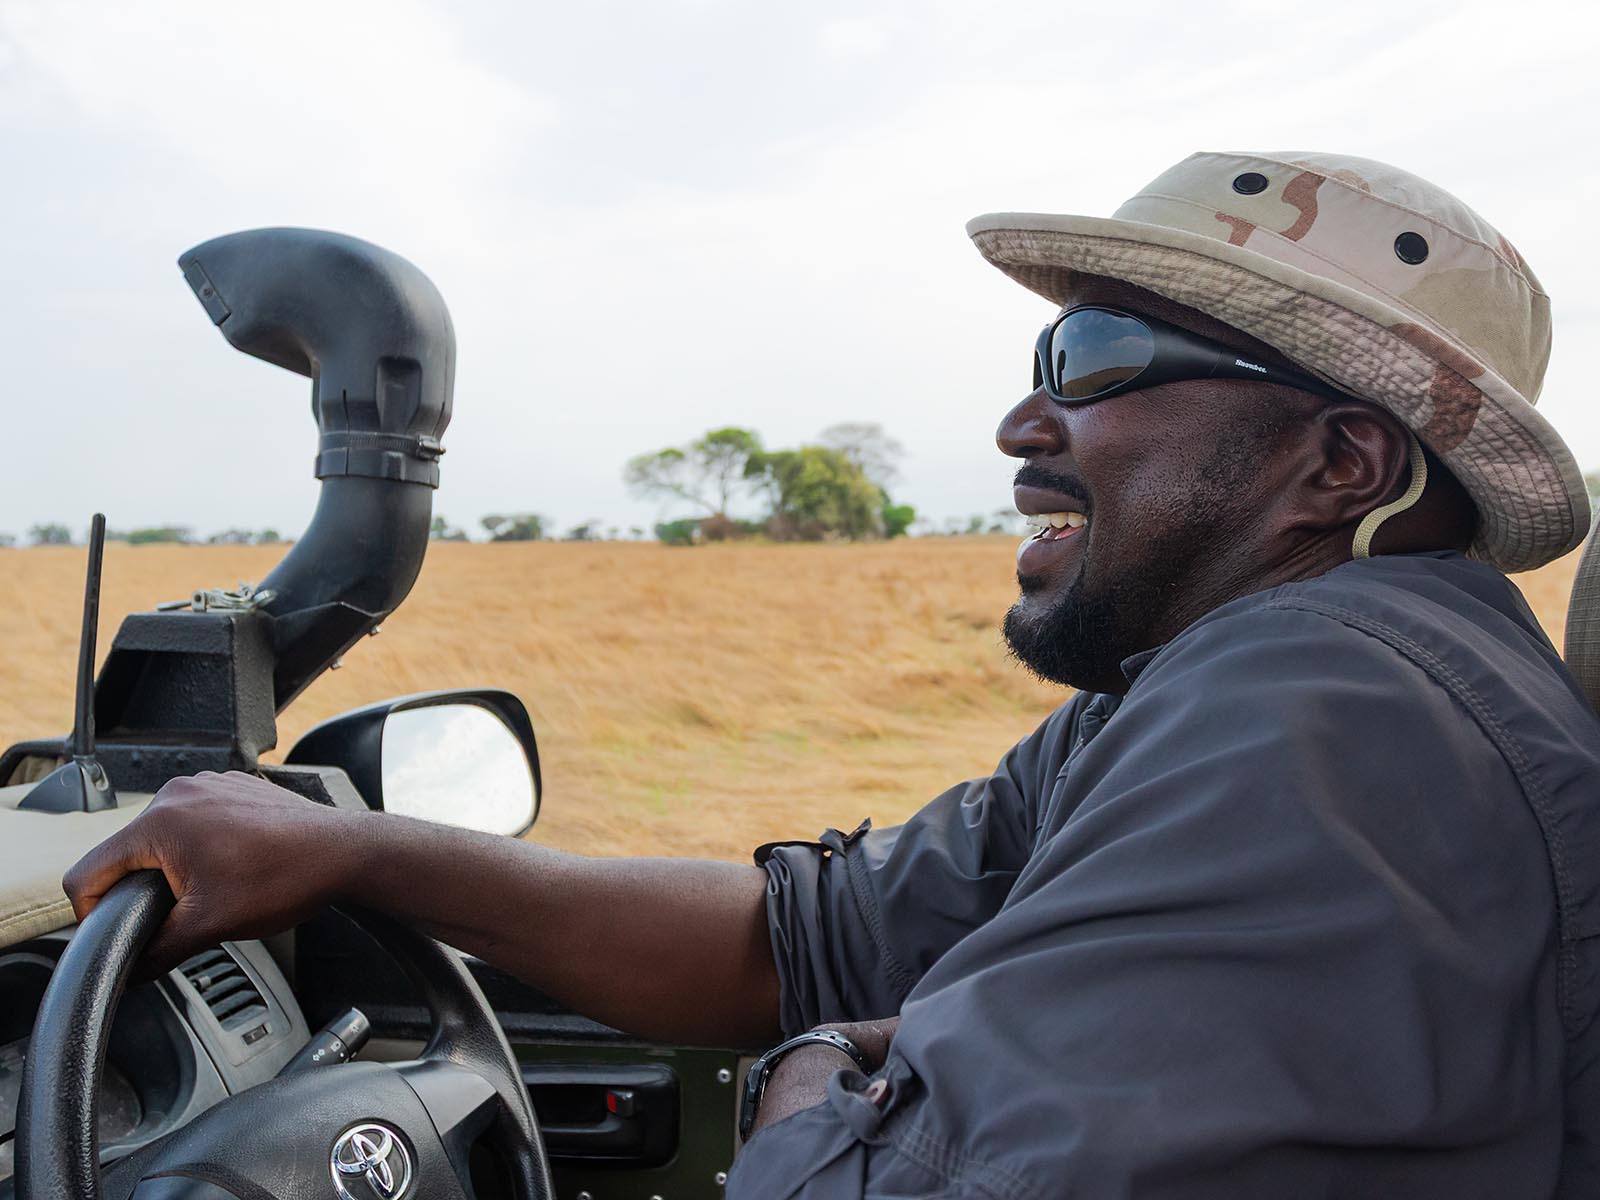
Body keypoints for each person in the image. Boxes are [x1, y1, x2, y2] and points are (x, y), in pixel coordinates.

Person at [65, 152, 1600, 1197]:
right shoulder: (1200, 695)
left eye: (1103, 360)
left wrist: (810, 1081)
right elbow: (802, 942)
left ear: (1341, 461)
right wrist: (345, 848)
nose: (1022, 424)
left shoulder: (1324, 714)